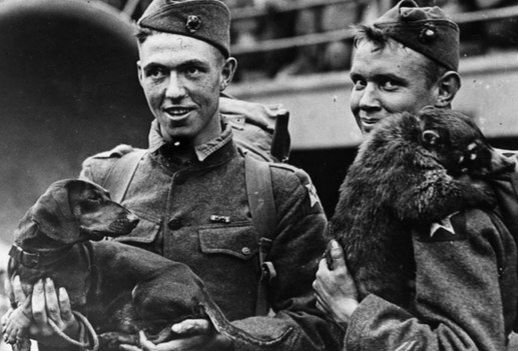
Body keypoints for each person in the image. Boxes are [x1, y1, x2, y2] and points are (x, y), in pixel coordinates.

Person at [3, 0, 343, 350]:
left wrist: (225, 342)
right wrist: (62, 332)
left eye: (193, 70)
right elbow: (78, 317)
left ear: (225, 73)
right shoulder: (102, 178)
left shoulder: (280, 190)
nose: (173, 91)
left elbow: (322, 328)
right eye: (157, 72)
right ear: (140, 75)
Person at [313, 1, 518, 350]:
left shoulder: (451, 204)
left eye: (389, 84)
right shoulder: (392, 167)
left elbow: (468, 346)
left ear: (444, 90)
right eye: (359, 81)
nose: (365, 100)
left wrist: (350, 314)